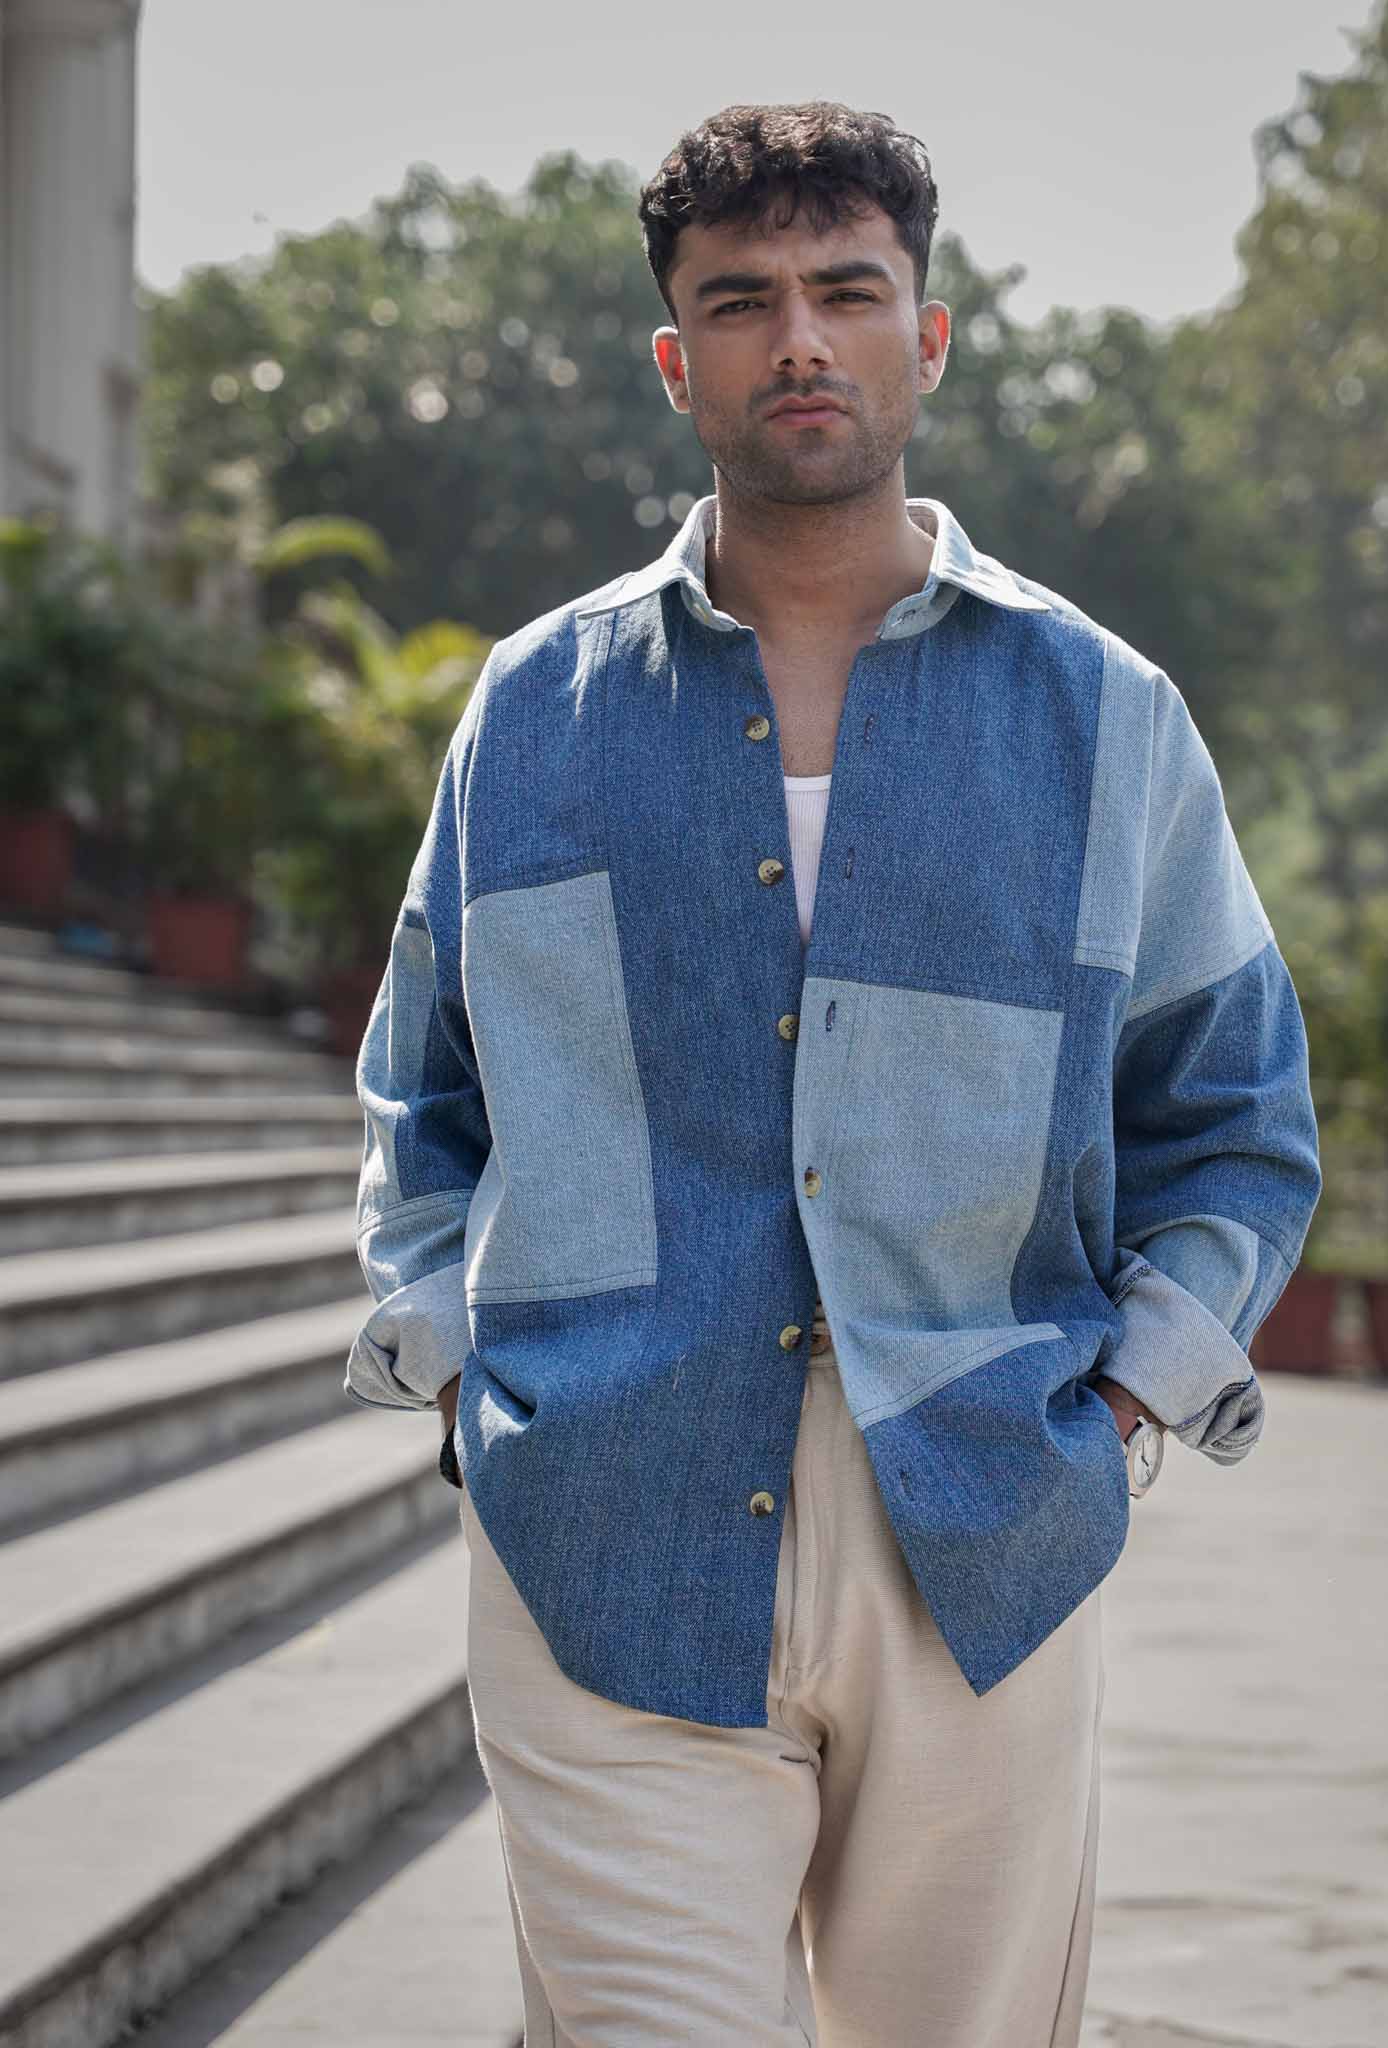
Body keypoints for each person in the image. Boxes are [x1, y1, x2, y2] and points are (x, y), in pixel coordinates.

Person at [345, 99, 1322, 2048]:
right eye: (743, 302)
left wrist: (1125, 1394)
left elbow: (1233, 1115)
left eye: (847, 293)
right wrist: (460, 1364)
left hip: (981, 1524)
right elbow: (422, 1098)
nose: (800, 340)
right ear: (676, 361)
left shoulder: (1104, 719)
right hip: (603, 1508)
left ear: (926, 338)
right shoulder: (531, 717)